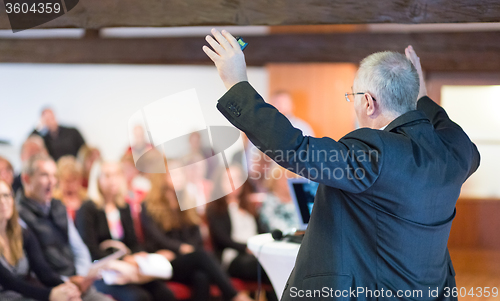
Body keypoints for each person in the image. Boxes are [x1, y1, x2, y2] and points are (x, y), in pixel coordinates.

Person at [203, 29, 480, 301]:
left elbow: (295, 148)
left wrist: (236, 84)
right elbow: (447, 128)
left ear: (369, 102)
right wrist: (419, 95)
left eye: (353, 97)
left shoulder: (375, 155)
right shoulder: (455, 153)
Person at [141, 172, 253, 301]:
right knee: (201, 255)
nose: (179, 177)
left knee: (201, 277)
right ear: (161, 177)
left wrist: (189, 249)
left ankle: (233, 295)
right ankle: (234, 295)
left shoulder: (187, 202)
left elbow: (197, 236)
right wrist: (180, 248)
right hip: (165, 258)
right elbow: (156, 237)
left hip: (189, 258)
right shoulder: (149, 205)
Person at [75, 161, 177, 301]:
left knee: (165, 293)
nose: (113, 180)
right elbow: (91, 249)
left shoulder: (123, 206)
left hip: (127, 268)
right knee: (139, 297)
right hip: (103, 272)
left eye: (116, 175)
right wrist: (125, 258)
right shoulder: (88, 209)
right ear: (97, 180)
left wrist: (138, 255)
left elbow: (133, 243)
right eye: (107, 176)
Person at [17, 154, 113, 301]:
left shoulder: (58, 207)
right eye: (44, 175)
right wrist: (66, 282)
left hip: (77, 281)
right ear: (26, 179)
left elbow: (78, 247)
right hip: (51, 288)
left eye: (54, 175)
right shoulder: (18, 215)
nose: (52, 181)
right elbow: (34, 267)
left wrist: (82, 276)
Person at [0, 179, 81, 301]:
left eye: (6, 195)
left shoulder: (21, 232)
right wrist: (50, 294)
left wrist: (66, 288)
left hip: (26, 295)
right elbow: (9, 281)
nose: (3, 202)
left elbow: (43, 271)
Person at [206, 166, 277, 301]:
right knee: (268, 268)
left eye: (238, 179)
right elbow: (223, 239)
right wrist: (247, 247)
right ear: (220, 183)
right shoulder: (216, 208)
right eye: (229, 180)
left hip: (256, 253)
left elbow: (261, 231)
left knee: (275, 265)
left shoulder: (249, 205)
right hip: (233, 256)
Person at [259, 165, 300, 232]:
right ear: (275, 180)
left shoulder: (298, 200)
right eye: (285, 178)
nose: (289, 181)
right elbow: (273, 224)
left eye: (291, 177)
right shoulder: (269, 201)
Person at [53, 156, 87, 220]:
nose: (70, 185)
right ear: (59, 180)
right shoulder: (53, 199)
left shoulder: (87, 198)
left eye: (74, 180)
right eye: (67, 181)